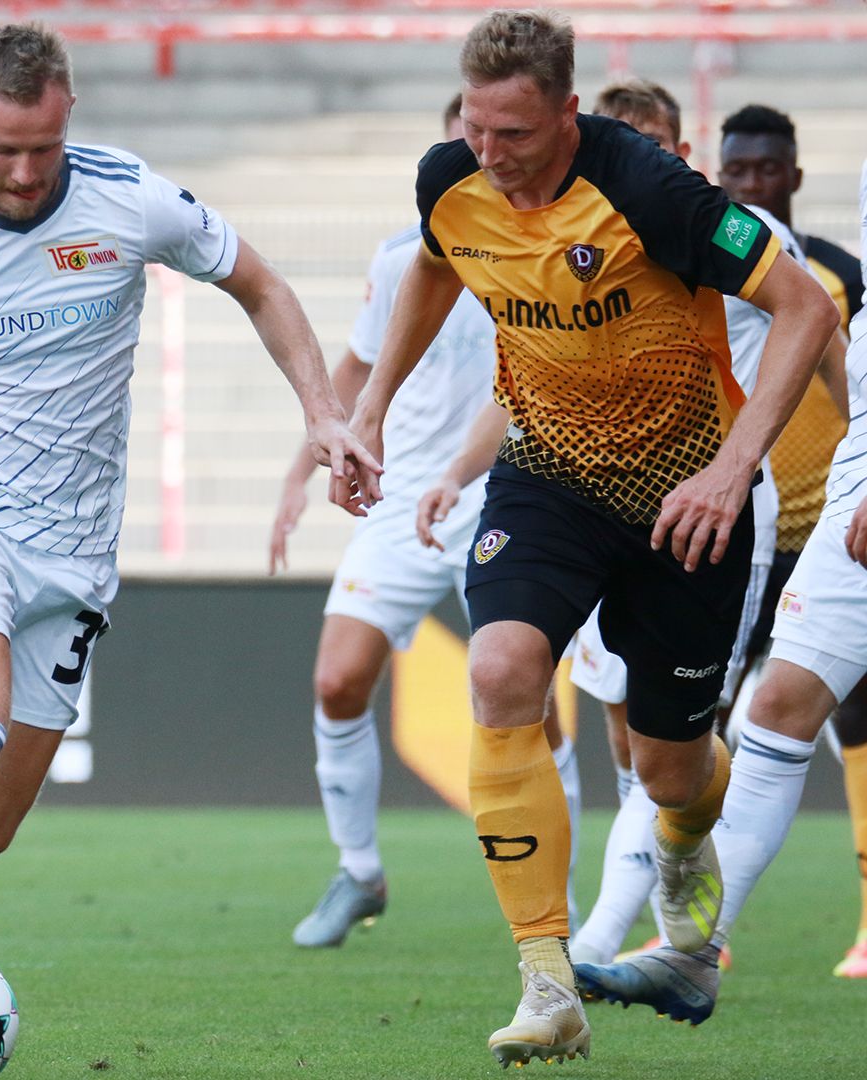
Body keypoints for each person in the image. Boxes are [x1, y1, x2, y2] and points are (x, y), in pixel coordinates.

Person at [0, 21, 375, 1065]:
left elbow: (260, 283)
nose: (26, 172)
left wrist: (321, 412)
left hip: (77, 554)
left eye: (43, 147)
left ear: (67, 116)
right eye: (3, 151)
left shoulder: (131, 198)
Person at [336, 10, 836, 1067]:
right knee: (503, 665)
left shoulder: (657, 194)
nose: (491, 155)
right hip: (548, 479)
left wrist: (731, 467)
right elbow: (436, 261)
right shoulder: (451, 177)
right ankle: (546, 975)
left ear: (567, 113)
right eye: (476, 128)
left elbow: (804, 311)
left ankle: (684, 839)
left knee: (667, 770)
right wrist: (375, 405)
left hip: (685, 501)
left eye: (514, 134)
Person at [271, 95, 581, 950]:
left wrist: (459, 472)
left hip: (509, 489)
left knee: (531, 706)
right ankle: (360, 872)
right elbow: (363, 360)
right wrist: (304, 464)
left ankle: (562, 911)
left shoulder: (544, 248)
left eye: (495, 144)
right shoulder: (402, 253)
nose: (481, 160)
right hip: (402, 491)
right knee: (337, 679)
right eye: (465, 145)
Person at [574, 156, 867, 1020]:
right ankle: (693, 954)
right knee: (773, 713)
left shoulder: (733, 232)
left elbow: (813, 323)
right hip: (836, 495)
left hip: (746, 498)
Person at [715, 104, 867, 981]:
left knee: (850, 722)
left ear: (794, 176)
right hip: (740, 525)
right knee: (715, 726)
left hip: (829, 521)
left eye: (767, 171)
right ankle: (700, 930)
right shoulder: (699, 261)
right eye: (737, 172)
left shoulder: (836, 273)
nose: (751, 185)